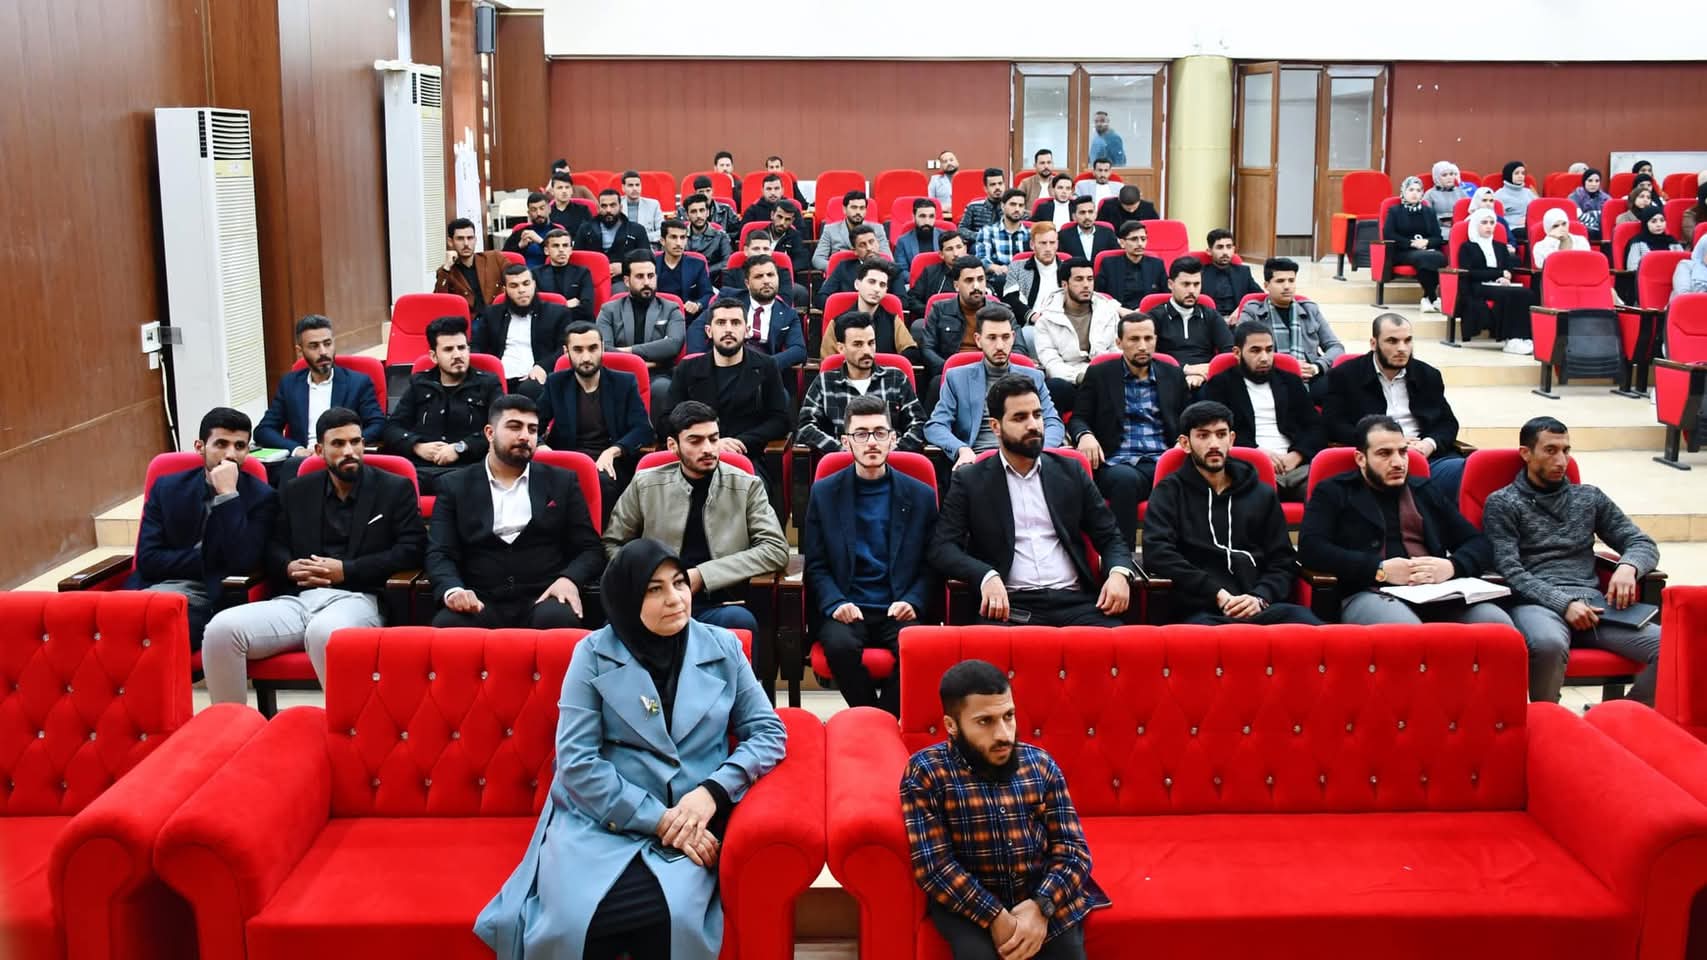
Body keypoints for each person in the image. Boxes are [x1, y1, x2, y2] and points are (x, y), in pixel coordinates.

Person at [474, 538, 787, 960]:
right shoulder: (592, 654)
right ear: (626, 598)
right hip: (604, 820)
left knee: (675, 918)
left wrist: (711, 793)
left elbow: (768, 732)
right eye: (654, 589)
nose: (675, 598)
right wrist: (659, 820)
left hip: (690, 819)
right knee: (570, 924)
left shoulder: (723, 647)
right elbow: (577, 762)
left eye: (679, 583)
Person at [201, 408, 424, 704]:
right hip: (298, 599)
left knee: (324, 633)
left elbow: (412, 550)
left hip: (359, 597)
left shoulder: (394, 489)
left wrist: (347, 570)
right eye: (338, 444)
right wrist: (289, 567)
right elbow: (273, 545)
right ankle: (230, 726)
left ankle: (349, 728)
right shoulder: (297, 490)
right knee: (221, 630)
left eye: (355, 442)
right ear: (319, 450)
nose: (349, 451)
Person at [901, 660, 1107, 960]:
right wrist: (996, 916)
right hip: (969, 900)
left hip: (1039, 892)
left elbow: (1073, 850)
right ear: (952, 725)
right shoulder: (926, 773)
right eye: (985, 721)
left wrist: (1041, 906)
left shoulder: (1040, 764)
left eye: (1008, 716)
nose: (1004, 734)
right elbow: (935, 867)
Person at [1484, 417, 1661, 705]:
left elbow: (1641, 542)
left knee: (1672, 648)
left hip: (1595, 607)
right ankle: (1547, 722)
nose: (1561, 460)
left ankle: (1619, 718)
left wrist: (1629, 566)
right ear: (1526, 454)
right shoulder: (1503, 503)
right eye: (1550, 450)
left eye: (1566, 450)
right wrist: (1564, 604)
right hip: (1537, 603)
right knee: (1548, 644)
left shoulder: (1588, 497)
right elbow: (1510, 570)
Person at [931, 375, 1133, 627]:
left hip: (1075, 603)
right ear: (995, 426)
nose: (1033, 425)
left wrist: (1118, 573)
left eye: (1037, 415)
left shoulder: (1070, 471)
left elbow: (1110, 536)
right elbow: (942, 548)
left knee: (1124, 643)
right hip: (1009, 607)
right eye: (1020, 418)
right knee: (985, 648)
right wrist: (985, 575)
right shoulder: (970, 480)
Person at [1299, 414, 1512, 629]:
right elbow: (1311, 548)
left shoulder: (1424, 490)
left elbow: (1479, 543)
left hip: (1435, 591)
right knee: (1407, 631)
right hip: (1369, 592)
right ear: (1361, 459)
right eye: (1385, 454)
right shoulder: (1333, 492)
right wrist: (1378, 569)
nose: (1398, 462)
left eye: (1403, 452)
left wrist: (1452, 566)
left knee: (1497, 624)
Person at [604, 402, 791, 636]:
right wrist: (649, 580)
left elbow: (776, 549)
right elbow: (613, 542)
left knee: (739, 622)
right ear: (673, 445)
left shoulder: (746, 486)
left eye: (713, 439)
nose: (708, 449)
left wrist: (703, 575)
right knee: (612, 629)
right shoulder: (645, 484)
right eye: (695, 441)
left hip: (718, 603)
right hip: (656, 600)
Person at [803, 396, 938, 713]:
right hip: (847, 606)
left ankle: (879, 721)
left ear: (894, 438)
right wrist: (836, 603)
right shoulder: (824, 492)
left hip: (899, 606)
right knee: (839, 646)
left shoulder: (920, 495)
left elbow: (931, 563)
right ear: (845, 442)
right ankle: (875, 719)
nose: (872, 442)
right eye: (861, 434)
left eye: (879, 432)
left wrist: (914, 601)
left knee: (923, 649)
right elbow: (816, 563)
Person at [426, 394, 602, 629]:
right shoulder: (454, 485)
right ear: (490, 433)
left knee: (560, 621)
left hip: (545, 596)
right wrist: (453, 590)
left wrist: (569, 579)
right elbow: (440, 552)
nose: (525, 436)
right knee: (449, 628)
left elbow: (590, 549)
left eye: (532, 429)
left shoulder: (562, 482)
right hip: (479, 598)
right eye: (515, 427)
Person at [1140, 401, 1322, 625]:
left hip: (1259, 606)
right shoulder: (1169, 492)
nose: (1214, 444)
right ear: (1185, 443)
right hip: (1201, 609)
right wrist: (1216, 593)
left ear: (1232, 439)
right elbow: (1158, 553)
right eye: (1203, 435)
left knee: (1314, 629)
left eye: (1221, 434)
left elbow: (1283, 560)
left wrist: (1260, 596)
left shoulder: (1262, 494)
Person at [131, 407, 277, 647]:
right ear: (200, 447)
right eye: (221, 444)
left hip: (208, 599)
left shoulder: (263, 497)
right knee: (110, 627)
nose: (230, 454)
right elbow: (148, 559)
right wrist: (212, 562)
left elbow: (242, 562)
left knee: (159, 632)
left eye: (240, 446)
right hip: (151, 590)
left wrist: (228, 495)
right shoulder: (168, 488)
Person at [1070, 313, 1188, 549]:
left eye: (1148, 338)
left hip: (1163, 459)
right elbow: (1078, 418)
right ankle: (1122, 557)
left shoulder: (1172, 374)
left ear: (1156, 340)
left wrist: (1182, 442)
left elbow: (1189, 419)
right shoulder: (1100, 374)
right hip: (1117, 462)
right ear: (1119, 342)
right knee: (1124, 481)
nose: (1142, 346)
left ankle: (1178, 558)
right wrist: (1085, 436)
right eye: (1134, 339)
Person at [1322, 314, 1466, 503]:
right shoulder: (1345, 375)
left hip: (1427, 458)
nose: (1402, 348)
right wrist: (1388, 443)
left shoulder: (1427, 375)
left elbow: (1447, 423)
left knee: (1468, 471)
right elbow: (1334, 424)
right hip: (1377, 460)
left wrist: (1428, 444)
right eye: (1392, 341)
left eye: (1407, 341)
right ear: (1374, 344)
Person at [666, 299, 792, 508]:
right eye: (721, 323)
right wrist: (711, 443)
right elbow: (666, 420)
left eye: (735, 323)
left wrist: (740, 442)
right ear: (709, 331)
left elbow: (780, 420)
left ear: (747, 330)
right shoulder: (687, 369)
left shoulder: (766, 366)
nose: (728, 329)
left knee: (755, 490)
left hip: (745, 455)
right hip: (693, 458)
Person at [927, 306, 1065, 469]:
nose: (1000, 345)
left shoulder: (1034, 377)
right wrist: (961, 449)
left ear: (1013, 337)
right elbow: (936, 426)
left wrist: (1039, 451)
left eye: (1005, 337)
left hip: (1025, 458)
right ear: (978, 340)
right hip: (978, 462)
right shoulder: (957, 378)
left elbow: (1053, 422)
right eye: (992, 338)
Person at [539, 323, 652, 521]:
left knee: (603, 483)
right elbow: (533, 425)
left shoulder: (624, 382)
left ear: (602, 347)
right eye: (578, 350)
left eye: (592, 348)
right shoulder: (555, 383)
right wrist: (541, 447)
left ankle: (601, 537)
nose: (586, 358)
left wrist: (613, 451)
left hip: (611, 463)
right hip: (569, 461)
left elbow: (643, 429)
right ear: (566, 352)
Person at [1200, 321, 1322, 501]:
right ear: (1237, 353)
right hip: (1248, 468)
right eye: (1255, 351)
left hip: (1297, 469)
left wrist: (1297, 455)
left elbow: (1315, 427)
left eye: (1269, 350)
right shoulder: (1220, 385)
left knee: (1326, 495)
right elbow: (1215, 432)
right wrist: (1257, 454)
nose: (1264, 357)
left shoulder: (1291, 382)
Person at [383, 316, 502, 494]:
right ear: (433, 356)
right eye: (448, 349)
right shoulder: (420, 384)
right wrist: (417, 446)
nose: (457, 355)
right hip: (422, 470)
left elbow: (500, 428)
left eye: (462, 348)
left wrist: (461, 447)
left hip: (467, 471)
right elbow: (392, 428)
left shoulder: (488, 384)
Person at [255, 314, 384, 456]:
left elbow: (378, 425)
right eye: (314, 346)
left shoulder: (358, 383)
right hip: (302, 460)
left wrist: (344, 444)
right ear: (300, 351)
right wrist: (296, 450)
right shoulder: (289, 384)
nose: (323, 352)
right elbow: (264, 430)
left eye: (327, 344)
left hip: (343, 457)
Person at [799, 312, 926, 454]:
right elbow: (806, 427)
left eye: (871, 343)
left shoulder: (896, 378)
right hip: (843, 461)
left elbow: (919, 423)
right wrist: (841, 450)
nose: (867, 351)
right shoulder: (825, 382)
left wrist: (894, 449)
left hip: (891, 460)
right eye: (858, 344)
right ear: (841, 348)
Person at [1236, 257, 1344, 400]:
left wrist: (1316, 367)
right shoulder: (1252, 311)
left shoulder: (1310, 309)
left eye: (1291, 280)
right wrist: (1288, 366)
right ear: (1266, 285)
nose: (1287, 286)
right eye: (1280, 281)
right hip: (1270, 375)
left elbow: (1336, 347)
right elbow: (1243, 350)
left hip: (1310, 376)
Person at [693, 255, 807, 379]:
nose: (766, 281)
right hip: (722, 364)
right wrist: (700, 361)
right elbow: (698, 327)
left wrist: (766, 365)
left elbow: (798, 350)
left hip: (760, 372)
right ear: (747, 283)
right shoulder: (729, 298)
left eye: (770, 275)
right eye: (759, 276)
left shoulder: (788, 314)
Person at [1030, 259, 1119, 415]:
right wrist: (1079, 377)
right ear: (1064, 285)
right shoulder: (1046, 320)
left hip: (1104, 378)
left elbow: (1116, 350)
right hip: (1072, 381)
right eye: (1079, 279)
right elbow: (1051, 363)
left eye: (1090, 279)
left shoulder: (1107, 312)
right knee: (1055, 386)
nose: (1086, 285)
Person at [595, 251, 688, 397]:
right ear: (627, 281)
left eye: (650, 276)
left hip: (658, 375)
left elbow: (673, 345)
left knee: (663, 389)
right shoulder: (608, 310)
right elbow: (603, 350)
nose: (646, 282)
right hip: (618, 373)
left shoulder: (671, 309)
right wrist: (645, 362)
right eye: (640, 276)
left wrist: (628, 350)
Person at [475, 263, 572, 400]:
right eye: (514, 286)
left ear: (534, 284)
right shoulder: (492, 314)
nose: (521, 290)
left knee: (530, 391)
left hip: (535, 377)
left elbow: (565, 348)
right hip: (499, 378)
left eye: (526, 284)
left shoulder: (557, 313)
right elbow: (476, 346)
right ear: (505, 290)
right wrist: (487, 372)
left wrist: (543, 367)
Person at [1144, 256, 1230, 388]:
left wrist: (1202, 374)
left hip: (1207, 380)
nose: (1192, 290)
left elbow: (1229, 352)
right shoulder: (1154, 317)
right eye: (1186, 284)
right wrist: (1186, 370)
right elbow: (1146, 356)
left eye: (1196, 284)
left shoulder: (1211, 315)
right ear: (1170, 285)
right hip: (1167, 380)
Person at [1458, 207, 1533, 353]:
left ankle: (1524, 337)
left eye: (1492, 223)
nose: (1489, 226)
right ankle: (1510, 339)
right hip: (1478, 286)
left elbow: (1508, 267)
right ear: (1475, 225)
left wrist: (1506, 276)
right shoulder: (1467, 247)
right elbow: (1471, 273)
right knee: (1510, 294)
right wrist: (1498, 274)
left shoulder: (1500, 247)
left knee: (1527, 293)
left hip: (1500, 285)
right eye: (1484, 223)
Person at [817, 260, 920, 364]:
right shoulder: (837, 323)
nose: (877, 289)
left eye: (882, 285)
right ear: (857, 284)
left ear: (886, 290)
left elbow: (910, 351)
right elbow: (828, 362)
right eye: (871, 282)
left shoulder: (893, 320)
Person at [915, 256, 993, 387]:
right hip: (952, 372)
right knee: (936, 384)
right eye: (969, 280)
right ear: (956, 285)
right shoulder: (939, 310)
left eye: (980, 279)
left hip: (991, 371)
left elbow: (1018, 349)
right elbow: (927, 348)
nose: (976, 286)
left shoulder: (1002, 312)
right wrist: (949, 368)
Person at [1384, 176, 1448, 313]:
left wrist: (1427, 242)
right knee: (1424, 258)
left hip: (1426, 249)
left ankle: (1427, 298)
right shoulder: (1395, 211)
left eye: (1418, 190)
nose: (1415, 193)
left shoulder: (1429, 211)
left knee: (1438, 257)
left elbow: (1438, 237)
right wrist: (1411, 243)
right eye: (1411, 190)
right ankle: (1432, 297)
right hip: (1403, 250)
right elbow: (1389, 234)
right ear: (1404, 192)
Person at [574, 190, 653, 288]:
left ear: (620, 207)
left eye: (613, 205)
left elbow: (647, 259)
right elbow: (577, 259)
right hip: (591, 278)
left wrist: (624, 268)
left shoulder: (637, 230)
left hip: (623, 279)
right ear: (598, 208)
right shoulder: (585, 229)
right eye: (604, 206)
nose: (608, 210)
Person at [814, 224, 899, 310]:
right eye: (862, 245)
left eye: (871, 242)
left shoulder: (893, 269)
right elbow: (821, 298)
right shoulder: (843, 268)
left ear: (878, 243)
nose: (869, 248)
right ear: (855, 251)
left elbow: (902, 302)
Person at [436, 217, 508, 311]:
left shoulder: (494, 258)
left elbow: (517, 277)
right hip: (469, 318)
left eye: (470, 238)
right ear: (450, 242)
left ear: (475, 240)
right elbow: (440, 303)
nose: (466, 243)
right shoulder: (446, 272)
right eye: (460, 239)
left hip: (498, 314)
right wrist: (446, 268)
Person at [1094, 219, 1167, 311]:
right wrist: (1120, 310)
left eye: (1143, 239)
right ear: (1122, 243)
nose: (1140, 244)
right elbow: (1099, 297)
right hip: (1117, 314)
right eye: (1134, 239)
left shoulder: (1157, 265)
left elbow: (1165, 297)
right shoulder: (1108, 264)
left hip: (1148, 314)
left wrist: (1144, 310)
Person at [1001, 221, 1066, 321]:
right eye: (1043, 243)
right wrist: (1032, 316)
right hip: (1031, 323)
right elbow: (1010, 298)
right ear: (1032, 244)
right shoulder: (1017, 267)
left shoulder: (1067, 268)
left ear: (1057, 244)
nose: (1048, 248)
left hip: (1063, 322)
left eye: (1052, 243)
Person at [531, 229, 597, 325]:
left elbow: (587, 309)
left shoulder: (583, 273)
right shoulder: (536, 273)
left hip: (577, 325)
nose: (561, 250)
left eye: (565, 245)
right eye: (556, 246)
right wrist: (565, 304)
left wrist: (552, 308)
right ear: (546, 250)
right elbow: (535, 308)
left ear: (571, 250)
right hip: (548, 325)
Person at [813, 190, 892, 270]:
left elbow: (888, 258)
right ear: (844, 209)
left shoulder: (877, 229)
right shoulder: (830, 230)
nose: (858, 212)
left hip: (869, 273)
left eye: (862, 208)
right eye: (854, 208)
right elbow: (817, 259)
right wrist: (839, 269)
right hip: (840, 274)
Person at [974, 189, 1031, 292]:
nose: (1017, 209)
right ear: (1003, 206)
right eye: (1013, 204)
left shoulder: (1031, 233)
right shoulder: (988, 231)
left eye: (1021, 205)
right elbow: (981, 259)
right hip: (998, 281)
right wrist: (996, 268)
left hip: (1025, 281)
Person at [655, 219, 714, 319]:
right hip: (656, 316)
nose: (679, 243)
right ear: (662, 241)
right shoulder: (651, 264)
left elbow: (708, 294)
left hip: (687, 318)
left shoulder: (697, 265)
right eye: (673, 237)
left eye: (682, 238)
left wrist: (697, 305)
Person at [906, 230, 969, 317]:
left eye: (959, 247)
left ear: (965, 249)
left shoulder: (976, 270)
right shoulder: (930, 272)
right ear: (941, 254)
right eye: (949, 249)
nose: (956, 253)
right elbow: (912, 299)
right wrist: (931, 312)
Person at [1199, 229, 1262, 308]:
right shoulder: (1200, 274)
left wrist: (1241, 309)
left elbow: (1260, 297)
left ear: (1233, 249)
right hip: (1209, 314)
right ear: (1209, 251)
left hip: (1239, 314)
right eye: (1220, 247)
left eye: (1229, 247)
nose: (1225, 252)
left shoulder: (1243, 273)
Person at [894, 199, 952, 281]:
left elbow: (954, 265)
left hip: (943, 281)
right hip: (915, 283)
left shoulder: (946, 237)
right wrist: (921, 282)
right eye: (922, 216)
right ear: (913, 216)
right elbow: (901, 271)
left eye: (931, 216)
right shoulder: (903, 241)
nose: (927, 222)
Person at [681, 194, 733, 284]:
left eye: (702, 210)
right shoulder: (679, 237)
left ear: (708, 212)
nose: (698, 215)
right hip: (684, 281)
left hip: (712, 281)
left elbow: (727, 262)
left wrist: (704, 271)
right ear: (687, 215)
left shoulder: (721, 236)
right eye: (693, 212)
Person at [503, 192, 555, 269]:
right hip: (523, 273)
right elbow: (504, 256)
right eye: (534, 210)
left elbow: (561, 254)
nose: (538, 213)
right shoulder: (521, 232)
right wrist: (520, 246)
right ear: (529, 213)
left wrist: (540, 241)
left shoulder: (557, 231)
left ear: (549, 209)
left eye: (542, 208)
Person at [1626, 206, 1685, 274]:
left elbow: (1683, 264)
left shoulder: (1672, 241)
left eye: (1662, 220)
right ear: (1646, 223)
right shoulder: (1638, 242)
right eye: (1654, 221)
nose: (1659, 225)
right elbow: (1632, 268)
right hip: (1647, 278)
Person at [1058, 196, 1117, 264]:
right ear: (1074, 217)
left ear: (1095, 214)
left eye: (1090, 212)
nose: (1087, 217)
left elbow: (1116, 259)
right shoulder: (1063, 236)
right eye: (1082, 212)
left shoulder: (1108, 234)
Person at [1492, 161, 1537, 243]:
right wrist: (1516, 221)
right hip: (1512, 227)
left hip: (1530, 225)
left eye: (1523, 173)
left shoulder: (1528, 192)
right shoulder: (1499, 195)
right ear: (1509, 174)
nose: (1520, 176)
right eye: (1517, 173)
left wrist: (1528, 220)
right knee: (1530, 232)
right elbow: (1497, 218)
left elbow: (1538, 211)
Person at [616, 170, 664, 245]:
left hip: (647, 245)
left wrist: (641, 238)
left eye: (637, 185)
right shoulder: (616, 204)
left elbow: (662, 231)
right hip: (622, 245)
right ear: (623, 187)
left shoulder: (653, 205)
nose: (635, 188)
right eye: (630, 185)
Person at [764, 200, 811, 271]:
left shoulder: (795, 237)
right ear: (772, 215)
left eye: (787, 219)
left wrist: (782, 271)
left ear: (792, 221)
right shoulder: (759, 235)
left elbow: (802, 260)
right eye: (779, 217)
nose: (782, 223)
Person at [959, 168, 1008, 236]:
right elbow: (961, 230)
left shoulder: (1013, 207)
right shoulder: (973, 207)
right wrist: (982, 237)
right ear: (985, 188)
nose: (997, 187)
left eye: (1000, 183)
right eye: (993, 184)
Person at [1424, 162, 1473, 227]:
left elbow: (1470, 211)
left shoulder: (1461, 192)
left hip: (1458, 226)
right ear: (1437, 178)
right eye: (1444, 175)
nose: (1449, 177)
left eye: (1451, 174)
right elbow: (1426, 215)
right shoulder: (1430, 194)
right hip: (1438, 227)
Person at [1569, 168, 1609, 243]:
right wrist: (1597, 215)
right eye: (1590, 181)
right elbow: (1578, 217)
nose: (1594, 184)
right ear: (1584, 182)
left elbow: (1608, 217)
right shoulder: (1574, 196)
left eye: (1597, 181)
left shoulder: (1606, 198)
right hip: (1581, 231)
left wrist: (1590, 215)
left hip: (1601, 230)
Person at [1095, 184, 1159, 229]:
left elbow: (1155, 228)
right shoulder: (1108, 207)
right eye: (1128, 208)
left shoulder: (1148, 208)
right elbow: (1100, 227)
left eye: (1134, 207)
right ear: (1119, 200)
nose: (1131, 211)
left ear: (1140, 198)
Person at [929, 150, 959, 214]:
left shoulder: (966, 179)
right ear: (941, 166)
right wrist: (942, 208)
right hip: (943, 216)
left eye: (951, 160)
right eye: (945, 161)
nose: (949, 163)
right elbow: (929, 201)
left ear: (957, 162)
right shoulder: (935, 180)